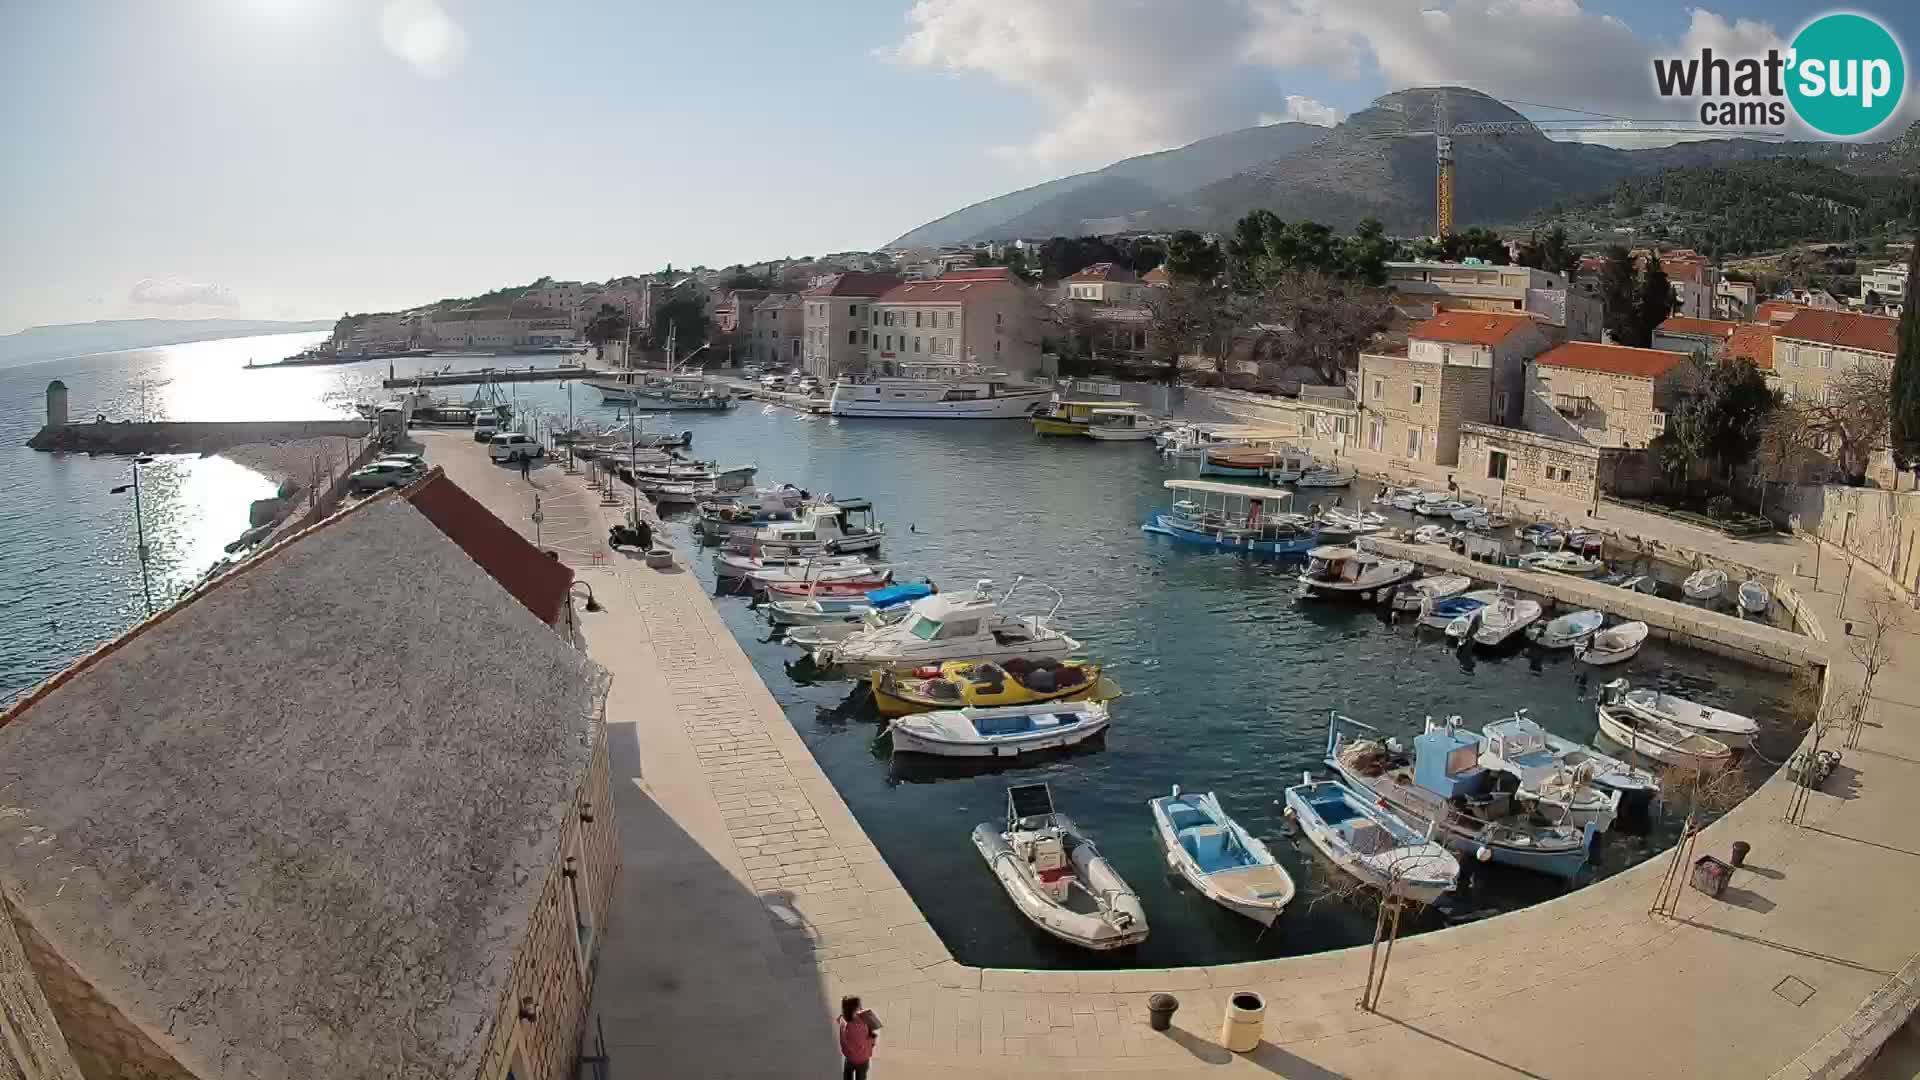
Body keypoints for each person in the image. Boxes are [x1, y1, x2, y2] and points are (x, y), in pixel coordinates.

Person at [836, 995, 877, 1079]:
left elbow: (840, 1021)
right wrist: (873, 1038)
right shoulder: (862, 1024)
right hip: (863, 1059)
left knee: (847, 1074)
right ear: (852, 1010)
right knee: (861, 1076)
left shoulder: (843, 1023)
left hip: (850, 1058)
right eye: (859, 1007)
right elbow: (868, 1042)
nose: (861, 1009)